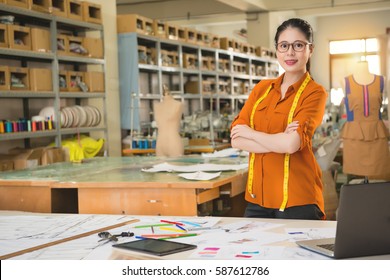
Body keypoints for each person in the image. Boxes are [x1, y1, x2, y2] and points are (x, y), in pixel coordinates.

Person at [230, 18, 328, 220]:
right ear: (277, 50)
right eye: (284, 46)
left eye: (298, 45)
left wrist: (252, 134)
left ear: (311, 50)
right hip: (257, 199)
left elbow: (292, 144)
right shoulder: (261, 89)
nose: (290, 53)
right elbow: (236, 139)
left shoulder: (314, 92)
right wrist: (279, 141)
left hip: (298, 200)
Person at [341, 60, 390, 179]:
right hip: (354, 140)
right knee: (356, 180)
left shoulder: (382, 80)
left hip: (377, 139)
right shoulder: (345, 81)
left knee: (380, 179)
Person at [154, 85, 184, 157]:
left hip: (174, 143)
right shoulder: (156, 106)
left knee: (175, 167)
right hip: (160, 144)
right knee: (160, 168)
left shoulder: (178, 104)